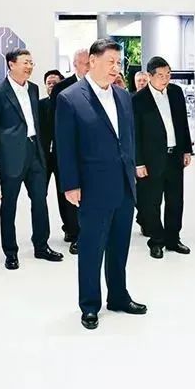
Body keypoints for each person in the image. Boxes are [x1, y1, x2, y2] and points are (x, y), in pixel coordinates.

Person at [55, 39, 147, 329]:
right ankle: (89, 304)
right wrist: (71, 185)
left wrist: (133, 168)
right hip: (92, 187)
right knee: (92, 248)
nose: (115, 68)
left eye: (118, 63)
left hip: (124, 184)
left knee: (120, 245)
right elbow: (65, 147)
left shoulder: (123, 96)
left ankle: (118, 296)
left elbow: (128, 138)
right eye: (110, 62)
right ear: (92, 62)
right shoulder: (70, 98)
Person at [0, 48, 63, 269]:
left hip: (35, 151)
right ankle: (10, 252)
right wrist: (0, 154)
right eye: (25, 62)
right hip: (11, 156)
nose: (29, 67)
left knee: (40, 200)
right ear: (11, 64)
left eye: (31, 63)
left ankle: (41, 246)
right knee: (9, 204)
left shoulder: (34, 89)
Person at [132, 56, 193, 259]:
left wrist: (186, 150)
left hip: (174, 156)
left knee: (176, 200)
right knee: (152, 202)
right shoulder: (138, 100)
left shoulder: (176, 92)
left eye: (168, 74)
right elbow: (135, 134)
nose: (165, 79)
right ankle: (156, 240)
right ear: (150, 76)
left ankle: (173, 239)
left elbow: (183, 123)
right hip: (151, 160)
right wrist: (138, 162)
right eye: (160, 75)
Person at [49, 48, 90, 253]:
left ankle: (89, 230)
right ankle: (74, 232)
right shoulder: (62, 89)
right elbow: (56, 122)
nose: (89, 67)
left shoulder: (99, 86)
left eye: (91, 62)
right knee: (69, 192)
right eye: (85, 63)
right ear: (75, 65)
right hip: (67, 149)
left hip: (91, 152)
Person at [38, 69, 73, 252]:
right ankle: (41, 235)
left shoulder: (67, 104)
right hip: (43, 157)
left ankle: (70, 228)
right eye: (49, 83)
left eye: (55, 83)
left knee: (64, 194)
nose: (52, 86)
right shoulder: (40, 105)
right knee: (39, 194)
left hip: (62, 156)